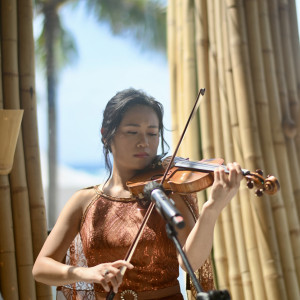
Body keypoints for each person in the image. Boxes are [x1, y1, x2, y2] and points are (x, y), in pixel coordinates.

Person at [32, 88, 243, 300]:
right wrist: (87, 273)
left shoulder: (168, 194)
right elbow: (41, 268)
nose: (145, 142)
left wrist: (212, 208)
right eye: (132, 132)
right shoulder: (84, 201)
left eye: (152, 133)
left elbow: (190, 261)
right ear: (106, 135)